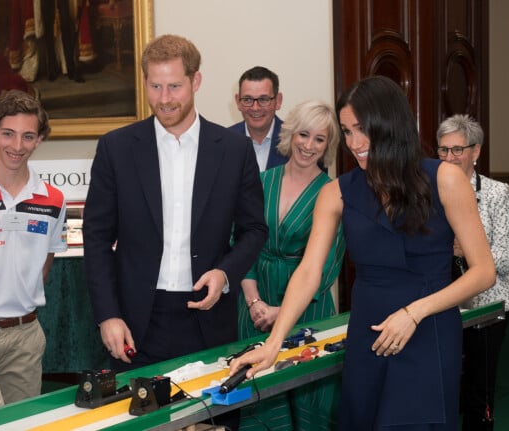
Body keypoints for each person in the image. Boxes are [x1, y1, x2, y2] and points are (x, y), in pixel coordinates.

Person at [230, 75, 496, 430]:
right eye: (347, 131)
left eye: (361, 129)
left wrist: (414, 313)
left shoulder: (445, 179)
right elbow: (309, 271)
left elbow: (483, 272)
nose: (354, 143)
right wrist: (274, 342)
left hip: (428, 328)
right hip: (368, 332)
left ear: (389, 124)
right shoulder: (336, 192)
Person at [82, 34, 267, 429]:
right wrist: (107, 316)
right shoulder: (116, 148)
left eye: (174, 86)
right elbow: (96, 237)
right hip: (135, 325)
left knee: (213, 422)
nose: (164, 98)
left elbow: (254, 230)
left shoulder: (234, 150)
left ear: (196, 81)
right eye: (155, 86)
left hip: (209, 320)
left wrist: (225, 273)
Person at [237, 100, 345, 430]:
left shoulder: (333, 192)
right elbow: (241, 243)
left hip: (307, 309)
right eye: (303, 134)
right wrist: (255, 302)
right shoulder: (260, 180)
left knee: (308, 399)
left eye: (319, 139)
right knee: (257, 392)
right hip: (253, 304)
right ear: (290, 134)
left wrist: (280, 311)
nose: (308, 146)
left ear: (329, 146)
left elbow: (327, 266)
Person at [0, 90, 67, 411]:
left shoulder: (53, 198)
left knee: (21, 423)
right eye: (7, 134)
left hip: (25, 335)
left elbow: (46, 261)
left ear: (39, 139)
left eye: (28, 136)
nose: (17, 146)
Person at [436, 114, 509, 431]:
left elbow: (507, 259)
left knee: (478, 388)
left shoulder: (497, 192)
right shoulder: (430, 190)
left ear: (476, 151)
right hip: (442, 300)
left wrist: (470, 252)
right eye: (443, 150)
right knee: (441, 383)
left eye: (457, 150)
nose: (449, 157)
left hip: (489, 303)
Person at [229, 66, 288, 171]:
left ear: (278, 101)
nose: (255, 108)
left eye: (263, 99)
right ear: (238, 102)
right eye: (247, 99)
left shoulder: (296, 142)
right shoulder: (224, 143)